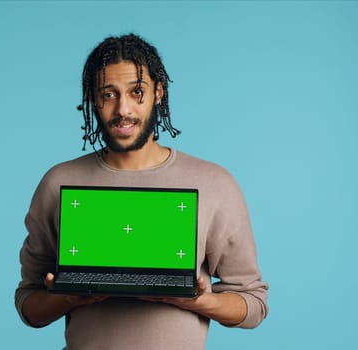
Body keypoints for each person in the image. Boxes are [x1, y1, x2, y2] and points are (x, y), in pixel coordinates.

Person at [15, 33, 268, 349]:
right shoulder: (58, 182)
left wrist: (199, 302)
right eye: (109, 94)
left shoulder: (214, 184)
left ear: (158, 93)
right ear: (94, 98)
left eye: (137, 92)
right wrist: (66, 298)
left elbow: (253, 303)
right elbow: (28, 304)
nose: (123, 109)